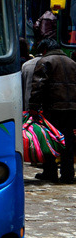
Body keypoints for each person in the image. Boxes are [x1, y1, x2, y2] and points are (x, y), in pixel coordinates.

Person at [28, 38, 76, 183]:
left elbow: (38, 86)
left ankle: (50, 172)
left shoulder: (45, 61)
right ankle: (68, 174)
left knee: (49, 140)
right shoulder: (72, 63)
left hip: (52, 109)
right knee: (68, 141)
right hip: (71, 109)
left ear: (44, 50)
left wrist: (33, 106)